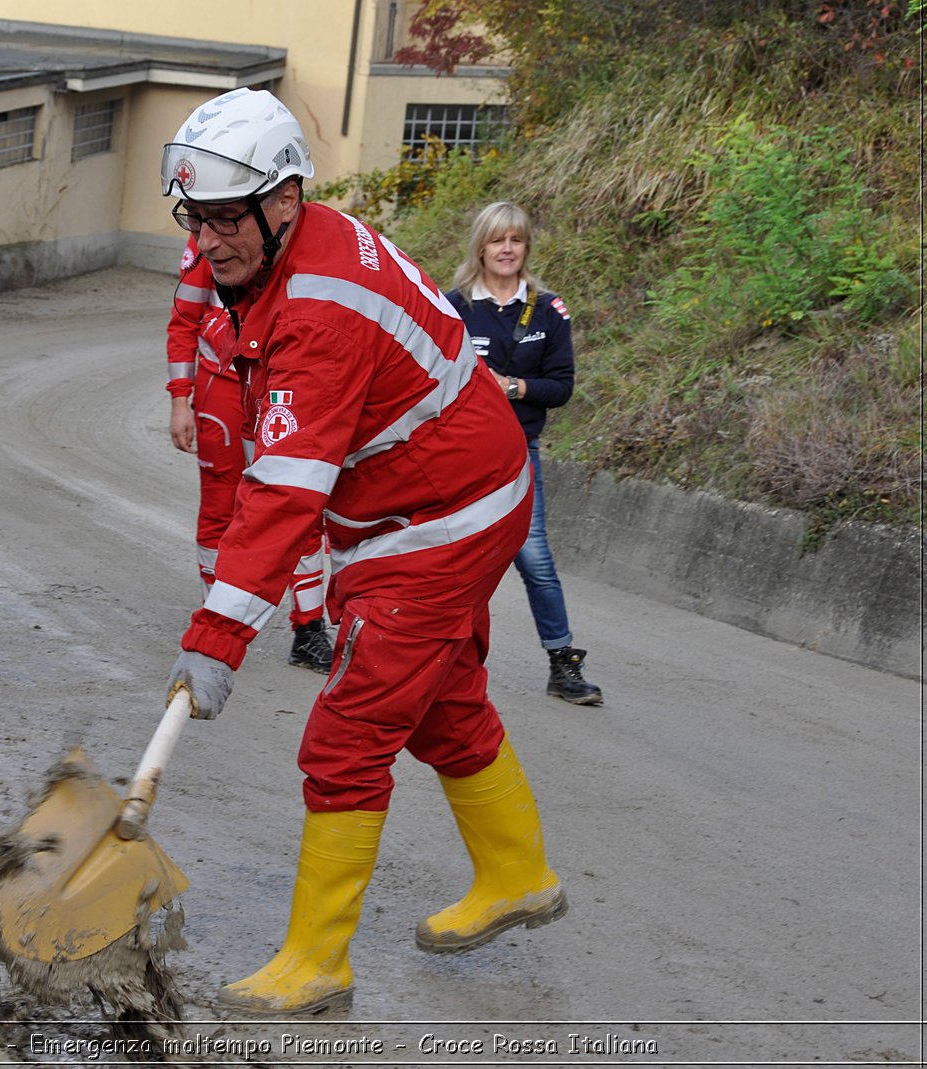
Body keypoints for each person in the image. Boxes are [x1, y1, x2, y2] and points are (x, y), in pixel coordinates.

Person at [160, 88, 567, 1016]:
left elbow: (284, 492)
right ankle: (519, 872)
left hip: (442, 518)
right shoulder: (290, 255)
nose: (209, 240)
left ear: (285, 199)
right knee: (438, 699)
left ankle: (318, 963)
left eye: (228, 217)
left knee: (346, 733)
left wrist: (217, 635)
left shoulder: (320, 306)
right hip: (435, 498)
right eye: (195, 219)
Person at [445, 202, 603, 705]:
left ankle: (562, 663)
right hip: (461, 453)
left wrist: (510, 387)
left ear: (526, 246)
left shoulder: (550, 311)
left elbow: (561, 387)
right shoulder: (453, 308)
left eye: (515, 240)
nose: (507, 249)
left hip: (519, 452)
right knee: (452, 556)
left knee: (533, 557)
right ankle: (439, 658)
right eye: (497, 240)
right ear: (481, 247)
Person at [166, 236, 334, 672]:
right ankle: (215, 618)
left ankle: (309, 628)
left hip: (280, 386)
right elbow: (184, 320)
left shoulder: (292, 236)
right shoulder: (209, 236)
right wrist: (179, 399)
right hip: (219, 386)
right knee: (221, 509)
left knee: (296, 502)